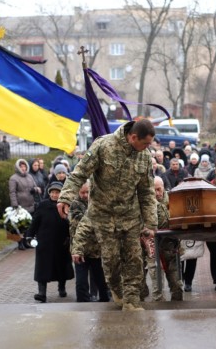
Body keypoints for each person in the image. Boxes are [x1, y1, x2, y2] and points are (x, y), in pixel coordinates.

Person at [58, 119, 158, 312]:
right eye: (145, 143)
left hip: (130, 216)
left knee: (134, 259)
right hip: (103, 216)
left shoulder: (144, 156)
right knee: (111, 262)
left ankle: (132, 301)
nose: (147, 148)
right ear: (133, 137)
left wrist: (151, 223)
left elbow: (147, 192)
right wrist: (66, 198)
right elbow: (79, 173)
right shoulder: (103, 145)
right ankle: (117, 290)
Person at [26, 181, 75, 303]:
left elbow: (72, 223)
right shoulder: (43, 205)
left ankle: (62, 287)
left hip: (61, 242)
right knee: (42, 267)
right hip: (44, 242)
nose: (54, 195)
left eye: (57, 192)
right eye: (52, 192)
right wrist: (29, 235)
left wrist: (70, 238)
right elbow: (35, 221)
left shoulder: (66, 205)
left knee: (61, 266)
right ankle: (42, 293)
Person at [69, 181, 110, 303]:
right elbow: (79, 223)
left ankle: (104, 298)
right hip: (80, 249)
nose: (85, 195)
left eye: (87, 192)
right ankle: (83, 302)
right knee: (81, 280)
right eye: (82, 192)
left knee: (100, 277)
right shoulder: (75, 204)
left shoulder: (97, 202)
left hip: (95, 248)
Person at [146, 176, 183, 301]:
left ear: (163, 188)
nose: (157, 193)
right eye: (154, 190)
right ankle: (157, 310)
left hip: (171, 247)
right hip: (153, 247)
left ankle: (177, 307)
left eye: (159, 189)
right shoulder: (146, 204)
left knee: (177, 284)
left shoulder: (173, 199)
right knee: (157, 284)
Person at [9, 158, 40, 250]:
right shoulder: (13, 178)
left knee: (29, 225)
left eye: (24, 166)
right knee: (21, 226)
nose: (23, 168)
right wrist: (15, 204)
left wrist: (36, 189)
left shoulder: (29, 177)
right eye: (21, 167)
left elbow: (35, 186)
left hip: (30, 204)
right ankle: (20, 243)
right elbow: (12, 192)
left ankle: (26, 242)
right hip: (20, 205)